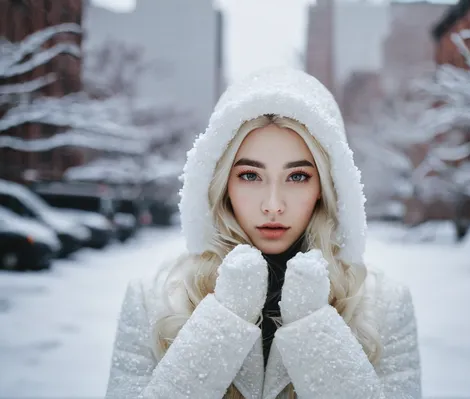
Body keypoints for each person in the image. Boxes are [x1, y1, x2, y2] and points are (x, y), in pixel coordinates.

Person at [105, 68, 422, 399]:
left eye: (297, 176)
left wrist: (313, 324)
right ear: (222, 182)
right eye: (250, 176)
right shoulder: (152, 300)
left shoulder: (384, 304)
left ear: (326, 187)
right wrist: (225, 317)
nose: (273, 205)